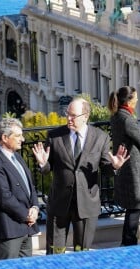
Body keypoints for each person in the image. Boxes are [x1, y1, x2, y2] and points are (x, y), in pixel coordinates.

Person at [32, 98, 129, 254]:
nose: (68, 119)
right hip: (59, 203)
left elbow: (105, 168)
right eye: (67, 114)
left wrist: (114, 166)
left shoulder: (100, 137)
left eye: (73, 115)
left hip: (86, 204)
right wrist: (43, 164)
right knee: (55, 252)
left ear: (85, 116)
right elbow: (47, 168)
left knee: (81, 251)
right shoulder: (55, 136)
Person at [0, 118, 40, 260]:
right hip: (8, 229)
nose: (23, 139)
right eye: (18, 136)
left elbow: (30, 185)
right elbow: (4, 197)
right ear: (5, 138)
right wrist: (26, 215)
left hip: (25, 227)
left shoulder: (17, 157)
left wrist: (35, 207)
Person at [108, 86, 140, 246]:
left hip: (125, 168)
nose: (137, 100)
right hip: (132, 171)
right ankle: (128, 244)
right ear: (129, 100)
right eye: (135, 97)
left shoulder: (117, 116)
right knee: (135, 208)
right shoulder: (128, 119)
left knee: (132, 209)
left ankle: (127, 242)